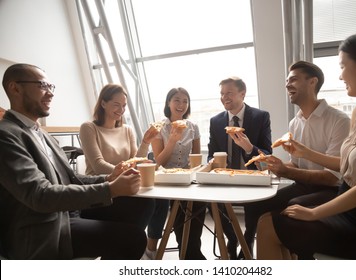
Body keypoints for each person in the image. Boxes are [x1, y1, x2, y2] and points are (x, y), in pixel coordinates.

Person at [257, 28, 356, 260]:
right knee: (267, 221)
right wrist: (305, 152)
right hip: (346, 201)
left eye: (342, 66)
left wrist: (314, 213)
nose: (340, 76)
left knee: (269, 227)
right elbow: (347, 167)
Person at [0, 63, 146, 259]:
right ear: (15, 88)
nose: (50, 93)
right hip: (44, 226)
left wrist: (109, 178)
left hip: (67, 213)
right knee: (133, 239)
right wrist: (111, 189)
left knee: (141, 205)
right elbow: (40, 195)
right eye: (43, 85)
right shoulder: (6, 135)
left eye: (51, 87)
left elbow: (71, 178)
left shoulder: (41, 134)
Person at [243, 61, 351, 259]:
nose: (287, 84)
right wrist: (273, 165)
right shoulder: (295, 122)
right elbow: (296, 164)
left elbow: (333, 177)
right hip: (304, 186)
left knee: (292, 205)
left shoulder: (339, 120)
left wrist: (287, 171)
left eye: (293, 79)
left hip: (331, 190)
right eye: (286, 80)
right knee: (255, 204)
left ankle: (301, 256)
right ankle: (247, 249)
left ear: (312, 82)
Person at [207, 76, 272, 259]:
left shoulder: (260, 117)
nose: (224, 97)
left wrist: (249, 148)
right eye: (221, 94)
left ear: (242, 94)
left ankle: (248, 239)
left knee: (256, 202)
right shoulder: (216, 121)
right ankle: (233, 237)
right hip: (225, 176)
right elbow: (211, 153)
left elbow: (268, 155)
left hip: (251, 176)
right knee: (210, 202)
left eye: (229, 93)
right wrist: (213, 161)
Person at [79, 84, 158, 230]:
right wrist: (126, 173)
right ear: (103, 103)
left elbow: (135, 162)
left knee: (158, 201)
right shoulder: (89, 128)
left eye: (124, 106)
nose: (121, 110)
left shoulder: (127, 130)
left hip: (125, 187)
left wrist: (146, 142)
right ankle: (129, 243)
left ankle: (133, 244)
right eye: (116, 105)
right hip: (100, 191)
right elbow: (98, 165)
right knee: (146, 204)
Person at [143, 87, 204, 260]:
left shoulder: (193, 127)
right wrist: (171, 140)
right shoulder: (158, 127)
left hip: (185, 177)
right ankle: (151, 249)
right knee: (160, 204)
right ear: (168, 103)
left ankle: (189, 249)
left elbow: (196, 159)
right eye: (177, 100)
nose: (181, 104)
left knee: (197, 203)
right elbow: (158, 162)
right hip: (163, 176)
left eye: (185, 101)